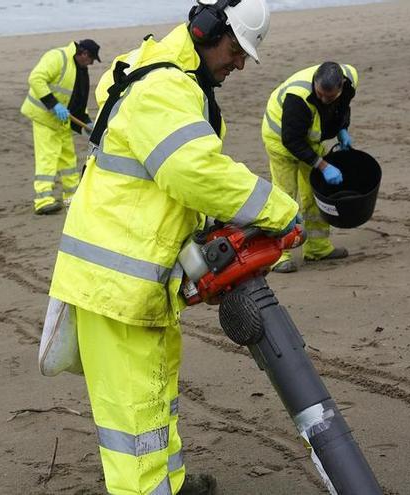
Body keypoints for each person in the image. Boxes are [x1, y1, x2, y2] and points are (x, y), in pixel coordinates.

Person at [46, 1, 298, 493]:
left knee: (156, 394)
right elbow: (192, 171)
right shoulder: (164, 87)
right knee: (135, 417)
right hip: (118, 282)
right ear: (206, 31)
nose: (240, 63)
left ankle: (172, 483)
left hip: (135, 279)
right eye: (235, 49)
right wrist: (280, 211)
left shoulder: (163, 79)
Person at [262, 62, 358, 273]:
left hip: (309, 139)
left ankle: (318, 248)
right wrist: (323, 165)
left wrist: (343, 129)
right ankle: (278, 255)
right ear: (315, 82)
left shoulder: (350, 79)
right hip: (280, 140)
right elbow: (292, 141)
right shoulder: (298, 97)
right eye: (320, 94)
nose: (324, 100)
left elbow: (343, 108)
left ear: (341, 86)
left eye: (329, 96)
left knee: (315, 194)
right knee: (284, 197)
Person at [21, 39, 100, 215]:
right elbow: (36, 78)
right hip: (45, 118)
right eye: (91, 59)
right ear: (84, 54)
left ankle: (71, 198)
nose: (92, 63)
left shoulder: (80, 70)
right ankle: (43, 201)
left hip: (62, 122)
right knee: (48, 157)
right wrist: (53, 105)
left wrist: (86, 124)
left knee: (68, 160)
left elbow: (77, 101)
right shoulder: (58, 57)